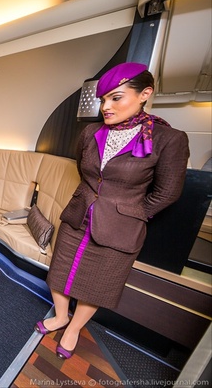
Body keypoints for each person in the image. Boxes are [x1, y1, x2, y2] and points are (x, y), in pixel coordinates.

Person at [34, 63, 190, 359]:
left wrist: (131, 212)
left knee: (97, 284)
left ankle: (74, 328)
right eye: (103, 99)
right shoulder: (90, 132)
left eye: (116, 98)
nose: (105, 106)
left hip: (120, 227)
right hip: (77, 215)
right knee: (59, 271)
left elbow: (168, 192)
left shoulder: (168, 139)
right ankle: (61, 316)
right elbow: (86, 172)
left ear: (145, 94)